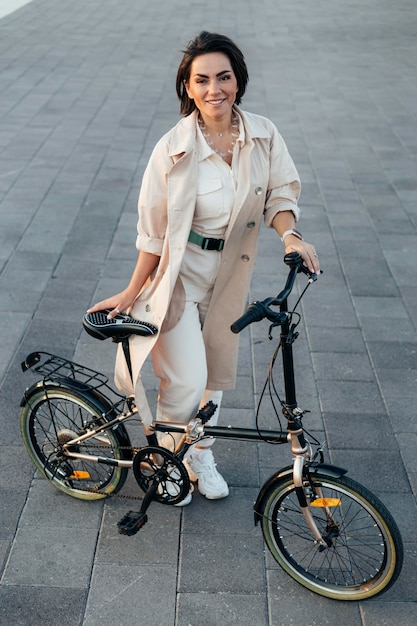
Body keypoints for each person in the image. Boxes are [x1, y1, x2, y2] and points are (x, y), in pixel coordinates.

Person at [87, 31, 320, 506]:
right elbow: (152, 235)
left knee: (215, 378)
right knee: (188, 381)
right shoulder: (171, 150)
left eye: (224, 77)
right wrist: (133, 291)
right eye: (202, 80)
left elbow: (280, 191)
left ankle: (200, 454)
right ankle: (166, 460)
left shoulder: (262, 133)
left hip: (229, 274)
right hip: (178, 280)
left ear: (238, 81)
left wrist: (290, 234)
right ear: (188, 89)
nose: (215, 89)